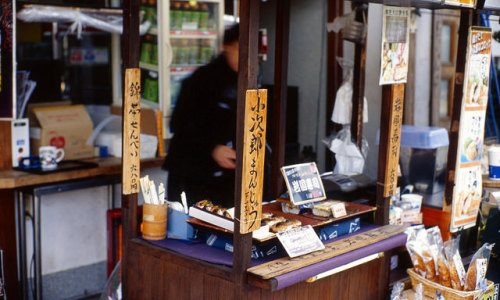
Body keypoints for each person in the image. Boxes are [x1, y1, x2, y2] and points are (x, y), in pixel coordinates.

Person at [163, 24, 239, 209]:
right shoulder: (203, 79)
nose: (246, 57)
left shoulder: (246, 79)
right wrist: (212, 148)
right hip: (190, 173)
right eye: (240, 49)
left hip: (224, 177)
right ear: (226, 46)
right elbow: (178, 123)